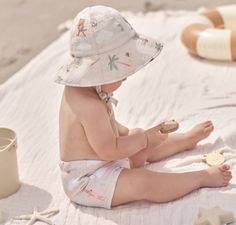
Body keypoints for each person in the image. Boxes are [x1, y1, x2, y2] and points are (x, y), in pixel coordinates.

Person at [56, 5, 232, 209]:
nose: (125, 79)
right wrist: (144, 139)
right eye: (121, 74)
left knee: (138, 140)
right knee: (142, 181)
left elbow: (100, 128)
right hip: (87, 181)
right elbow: (108, 150)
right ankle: (199, 178)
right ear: (99, 71)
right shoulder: (89, 105)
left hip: (102, 162)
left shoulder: (85, 89)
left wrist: (132, 135)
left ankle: (185, 140)